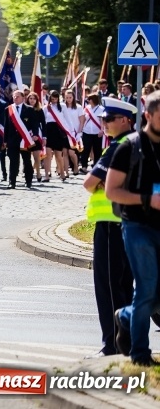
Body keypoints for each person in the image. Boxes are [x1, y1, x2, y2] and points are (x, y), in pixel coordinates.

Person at [106, 90, 160, 366]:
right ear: (148, 116)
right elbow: (111, 191)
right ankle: (140, 353)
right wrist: (146, 199)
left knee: (157, 295)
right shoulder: (130, 147)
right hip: (137, 225)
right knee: (147, 288)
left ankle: (125, 316)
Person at [82, 97, 136, 358]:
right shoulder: (137, 143)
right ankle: (127, 344)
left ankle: (113, 346)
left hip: (112, 225)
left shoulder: (118, 146)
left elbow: (89, 182)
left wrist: (101, 184)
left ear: (125, 120)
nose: (103, 123)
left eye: (108, 119)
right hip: (128, 224)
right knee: (124, 286)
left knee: (109, 287)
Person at [4, 89, 40, 189]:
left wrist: (35, 134)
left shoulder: (29, 109)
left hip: (25, 139)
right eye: (14, 96)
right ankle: (12, 182)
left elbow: (34, 124)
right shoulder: (8, 109)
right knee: (13, 162)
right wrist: (5, 141)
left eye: (18, 96)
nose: (15, 98)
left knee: (27, 161)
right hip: (12, 140)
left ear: (23, 98)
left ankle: (28, 181)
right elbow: (6, 126)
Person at [43, 90, 72, 182]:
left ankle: (62, 174)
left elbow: (67, 119)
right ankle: (47, 175)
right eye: (52, 98)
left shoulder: (62, 106)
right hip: (48, 131)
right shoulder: (46, 108)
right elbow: (43, 122)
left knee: (58, 155)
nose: (54, 100)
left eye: (56, 98)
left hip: (58, 131)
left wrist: (71, 132)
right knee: (47, 155)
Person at [81, 94, 105, 173]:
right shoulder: (87, 108)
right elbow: (84, 119)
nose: (88, 100)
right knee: (86, 149)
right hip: (87, 131)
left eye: (90, 99)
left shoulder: (101, 109)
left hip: (97, 132)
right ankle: (84, 166)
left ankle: (96, 166)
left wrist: (102, 130)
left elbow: (102, 120)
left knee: (97, 150)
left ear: (94, 100)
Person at [63, 90, 85, 175]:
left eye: (70, 97)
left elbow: (82, 121)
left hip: (74, 133)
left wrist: (79, 133)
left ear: (73, 98)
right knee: (64, 153)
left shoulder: (78, 107)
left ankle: (75, 166)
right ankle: (66, 172)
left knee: (71, 153)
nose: (69, 99)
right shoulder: (62, 107)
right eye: (67, 97)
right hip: (65, 133)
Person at [25, 92, 46, 181]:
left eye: (34, 98)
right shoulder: (24, 110)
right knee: (27, 157)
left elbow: (44, 124)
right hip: (26, 135)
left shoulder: (39, 110)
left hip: (37, 135)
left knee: (36, 156)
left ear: (37, 100)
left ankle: (38, 173)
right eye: (30, 98)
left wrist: (44, 137)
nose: (32, 100)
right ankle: (28, 172)